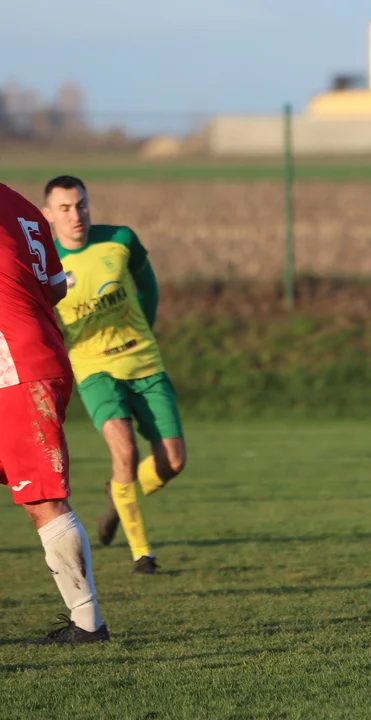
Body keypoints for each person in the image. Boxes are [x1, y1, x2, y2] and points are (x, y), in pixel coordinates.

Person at [42, 176, 185, 575]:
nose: (76, 215)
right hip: (93, 368)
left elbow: (148, 287)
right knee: (124, 451)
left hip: (144, 362)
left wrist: (147, 332)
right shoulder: (47, 261)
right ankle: (143, 554)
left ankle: (119, 491)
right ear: (48, 215)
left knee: (173, 461)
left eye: (82, 205)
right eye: (66, 208)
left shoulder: (120, 239)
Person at [0, 179, 110, 644]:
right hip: (38, 351)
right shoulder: (23, 208)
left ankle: (87, 623)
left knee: (44, 498)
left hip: (15, 366)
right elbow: (55, 287)